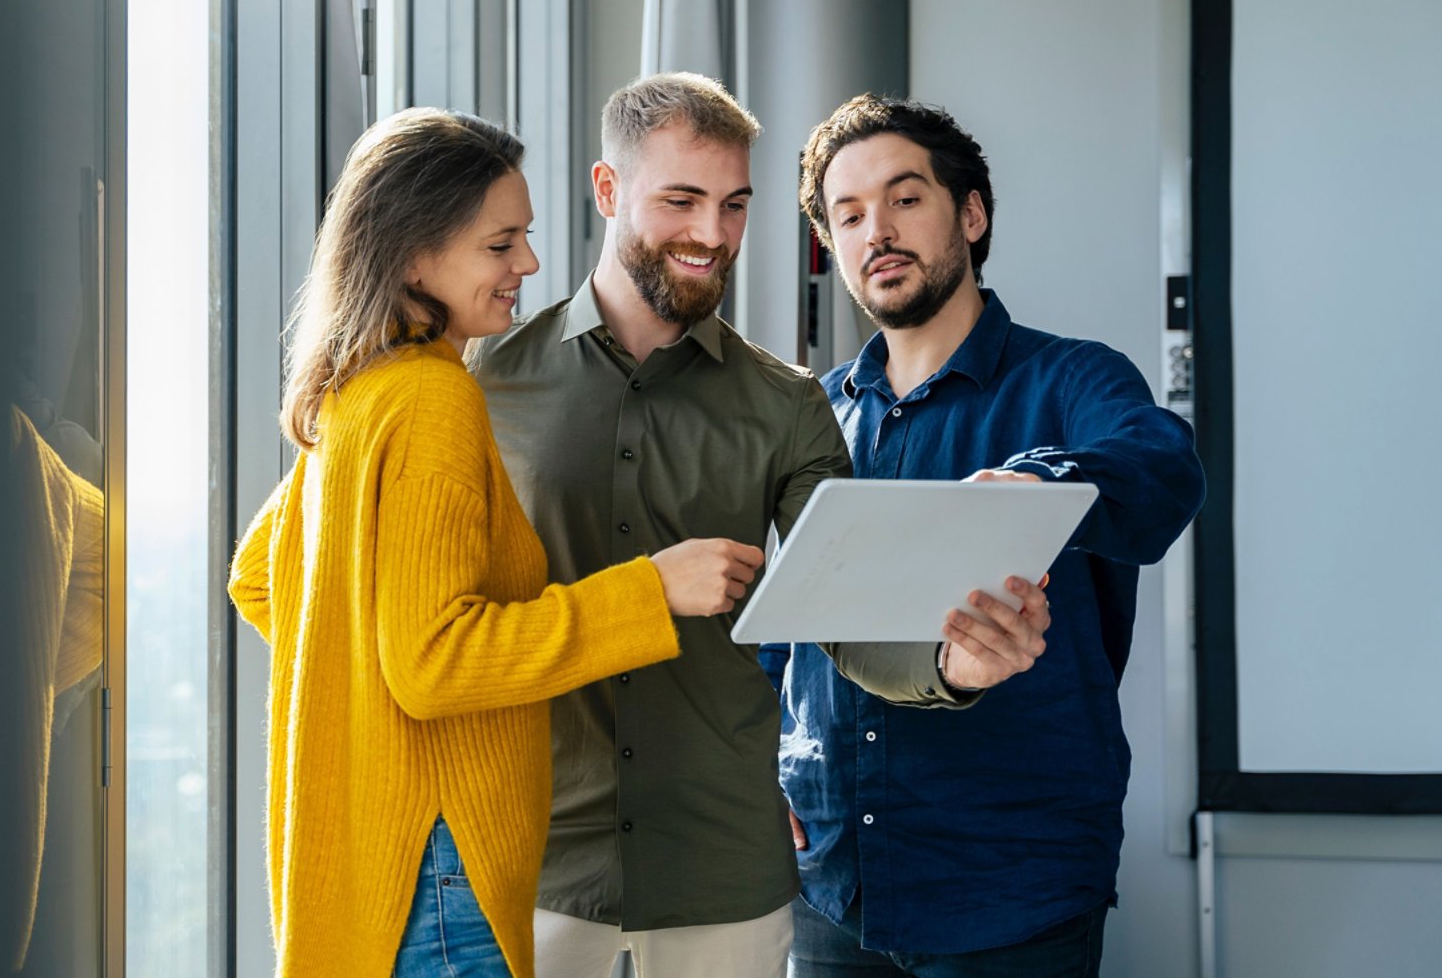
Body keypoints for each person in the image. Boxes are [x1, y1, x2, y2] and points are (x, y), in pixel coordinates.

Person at [468, 73, 1053, 978]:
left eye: (734, 205)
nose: (712, 235)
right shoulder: (482, 382)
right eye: (682, 200)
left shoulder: (787, 404)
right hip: (527, 862)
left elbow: (847, 611)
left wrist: (947, 665)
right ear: (608, 190)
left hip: (725, 880)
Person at [227, 107, 767, 978]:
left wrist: (377, 723)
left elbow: (265, 579)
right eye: (500, 243)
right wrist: (649, 590)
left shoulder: (360, 391)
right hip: (442, 870)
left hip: (390, 861)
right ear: (412, 252)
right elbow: (432, 660)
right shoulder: (434, 402)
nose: (529, 264)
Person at [773, 94, 1206, 977]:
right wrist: (754, 773)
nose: (875, 232)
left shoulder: (1072, 376)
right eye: (847, 215)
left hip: (1012, 889)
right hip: (832, 889)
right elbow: (774, 626)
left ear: (969, 214)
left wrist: (1034, 488)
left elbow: (1163, 472)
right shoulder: (810, 416)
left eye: (904, 198)